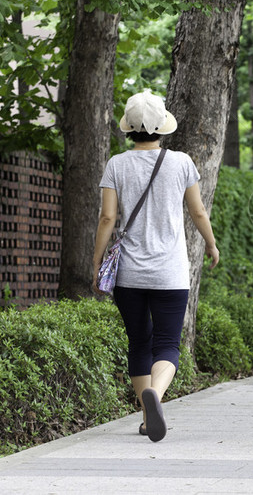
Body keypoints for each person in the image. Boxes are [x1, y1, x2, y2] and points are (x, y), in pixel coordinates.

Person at [91, 90, 220, 442]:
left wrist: (96, 260)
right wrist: (210, 243)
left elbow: (107, 218)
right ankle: (157, 397)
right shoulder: (180, 162)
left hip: (129, 273)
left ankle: (149, 415)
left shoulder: (117, 164)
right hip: (171, 272)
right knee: (167, 344)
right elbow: (198, 211)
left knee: (138, 343)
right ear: (162, 127)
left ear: (129, 129)